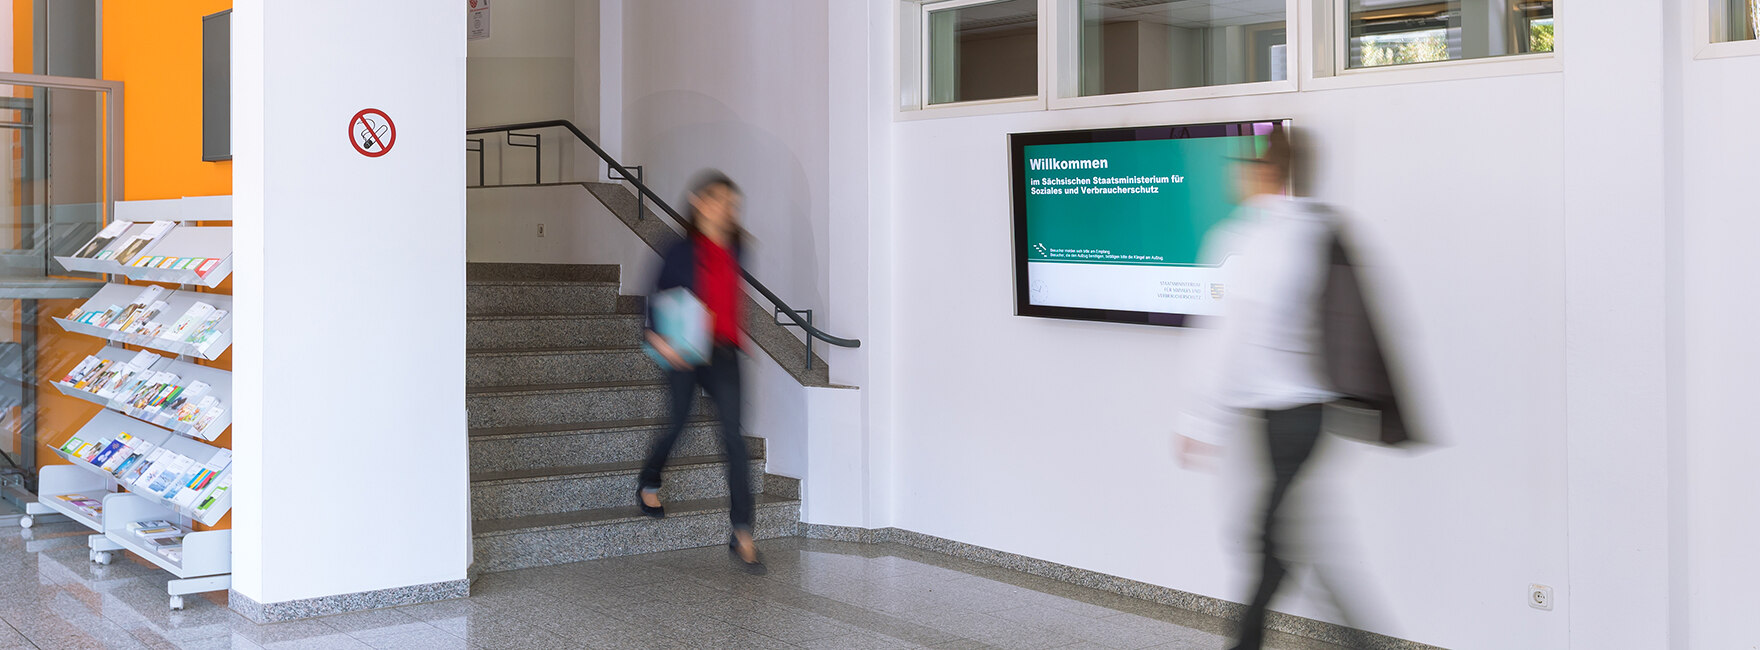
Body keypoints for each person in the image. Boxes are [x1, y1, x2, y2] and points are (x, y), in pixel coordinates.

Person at [1178, 127, 1415, 650]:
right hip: (1311, 415)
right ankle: (1362, 640)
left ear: (1267, 171)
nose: (1239, 174)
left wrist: (1198, 422)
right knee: (1290, 540)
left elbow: (1226, 341)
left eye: (1248, 164)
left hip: (1280, 417)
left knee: (1270, 545)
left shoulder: (1252, 240)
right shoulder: (1317, 228)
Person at [637, 171, 762, 570]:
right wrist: (656, 338)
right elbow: (655, 295)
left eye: (733, 205)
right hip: (685, 351)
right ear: (699, 202)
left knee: (734, 440)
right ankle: (649, 479)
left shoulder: (738, 247)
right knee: (679, 421)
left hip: (724, 352)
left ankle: (742, 531)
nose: (729, 210)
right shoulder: (678, 249)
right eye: (721, 202)